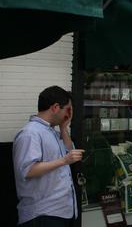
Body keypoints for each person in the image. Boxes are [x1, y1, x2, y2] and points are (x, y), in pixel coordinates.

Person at [13, 86, 85, 227]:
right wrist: (64, 160)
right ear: (56, 107)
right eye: (68, 109)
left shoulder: (51, 131)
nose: (69, 114)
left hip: (61, 211)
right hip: (42, 214)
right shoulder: (31, 133)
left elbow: (69, 151)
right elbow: (28, 170)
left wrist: (64, 128)